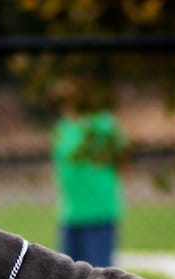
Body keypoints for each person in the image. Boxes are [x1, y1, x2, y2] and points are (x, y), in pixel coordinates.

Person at [52, 81, 126, 268]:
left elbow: (123, 160)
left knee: (98, 277)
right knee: (66, 276)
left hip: (99, 213)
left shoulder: (104, 126)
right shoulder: (63, 128)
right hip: (70, 214)